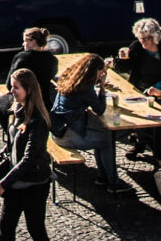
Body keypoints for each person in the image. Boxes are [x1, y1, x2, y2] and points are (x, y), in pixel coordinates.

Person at [0, 67, 56, 241]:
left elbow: (29, 159)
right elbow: (12, 144)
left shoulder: (38, 120)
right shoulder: (16, 111)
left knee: (36, 231)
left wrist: (3, 185)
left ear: (28, 90)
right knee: (6, 228)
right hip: (16, 183)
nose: (12, 91)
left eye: (16, 88)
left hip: (34, 185)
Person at [52, 53, 121, 189]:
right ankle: (113, 183)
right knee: (106, 141)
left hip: (56, 130)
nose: (101, 75)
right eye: (101, 72)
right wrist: (102, 88)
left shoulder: (69, 79)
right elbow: (100, 109)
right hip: (67, 136)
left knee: (101, 136)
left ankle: (102, 177)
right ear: (95, 71)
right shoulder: (85, 88)